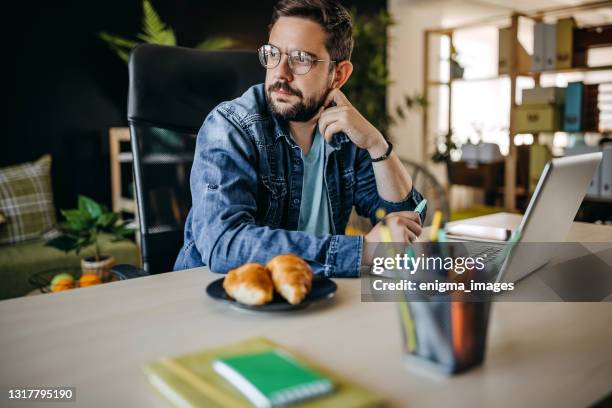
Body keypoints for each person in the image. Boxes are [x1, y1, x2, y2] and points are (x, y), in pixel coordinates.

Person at [174, 0, 425, 277]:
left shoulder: (347, 133)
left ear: (338, 75)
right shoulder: (231, 126)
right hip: (215, 296)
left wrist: (377, 144)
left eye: (301, 59)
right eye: (273, 54)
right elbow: (224, 243)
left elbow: (407, 220)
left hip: (311, 295)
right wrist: (362, 251)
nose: (280, 74)